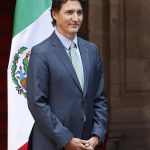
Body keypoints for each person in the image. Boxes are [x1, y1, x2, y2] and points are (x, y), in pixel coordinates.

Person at [26, 0, 108, 149]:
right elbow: (37, 104)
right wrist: (66, 139)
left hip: (86, 143)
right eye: (69, 12)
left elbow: (99, 98)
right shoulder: (41, 52)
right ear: (55, 14)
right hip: (52, 143)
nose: (76, 18)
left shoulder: (92, 50)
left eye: (79, 12)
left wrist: (97, 134)